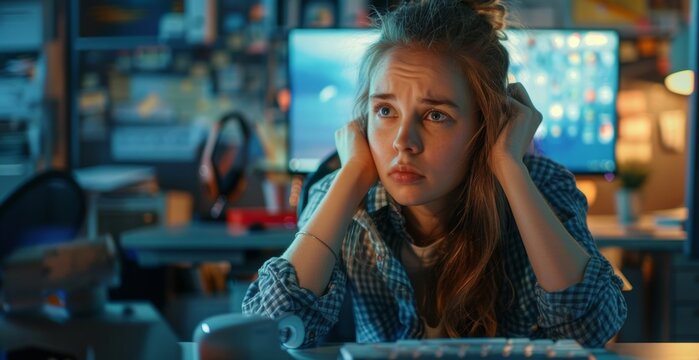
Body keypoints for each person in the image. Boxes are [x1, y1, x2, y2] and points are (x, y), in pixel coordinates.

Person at [243, 0, 626, 348]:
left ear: (485, 125)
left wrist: (510, 167)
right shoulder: (342, 193)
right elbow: (272, 330)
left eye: (435, 115)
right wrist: (352, 175)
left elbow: (589, 331)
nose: (402, 142)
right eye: (385, 112)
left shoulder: (542, 185)